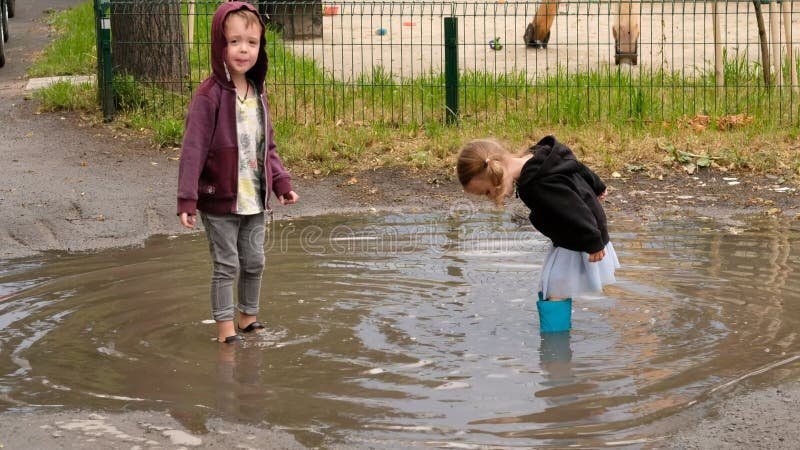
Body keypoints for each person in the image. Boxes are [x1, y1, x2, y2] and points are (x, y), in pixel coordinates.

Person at [177, 2, 298, 344]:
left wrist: (281, 182)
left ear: (261, 47)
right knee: (226, 265)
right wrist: (188, 198)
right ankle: (225, 330)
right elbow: (193, 150)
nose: (244, 49)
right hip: (219, 199)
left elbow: (266, 146)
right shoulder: (208, 96)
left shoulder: (257, 93)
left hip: (254, 198)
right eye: (234, 42)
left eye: (252, 42)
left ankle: (248, 317)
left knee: (255, 261)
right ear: (220, 45)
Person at [456, 135, 619, 331]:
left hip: (580, 234)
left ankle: (555, 351)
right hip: (575, 230)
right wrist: (597, 185)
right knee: (551, 285)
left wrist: (593, 242)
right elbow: (574, 165)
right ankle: (555, 342)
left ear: (496, 174)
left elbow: (574, 208)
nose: (491, 199)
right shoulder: (541, 157)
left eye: (488, 192)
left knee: (555, 289)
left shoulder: (537, 184)